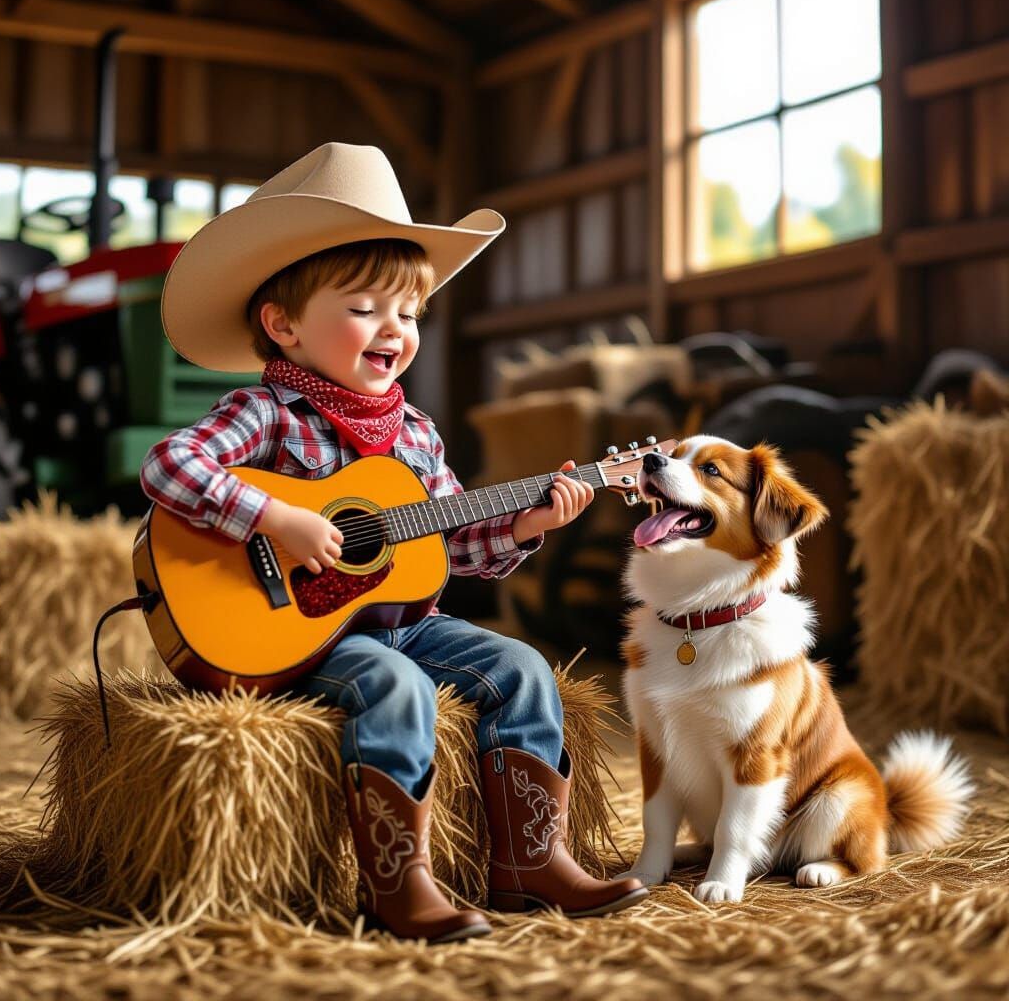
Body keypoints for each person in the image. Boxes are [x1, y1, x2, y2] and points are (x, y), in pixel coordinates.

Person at [140, 143, 647, 944]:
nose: (394, 329)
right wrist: (277, 519)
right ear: (284, 326)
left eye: (407, 313)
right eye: (365, 309)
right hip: (304, 635)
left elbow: (443, 545)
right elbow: (170, 465)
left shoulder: (416, 434)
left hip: (405, 619)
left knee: (518, 668)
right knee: (394, 686)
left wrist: (525, 524)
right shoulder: (268, 412)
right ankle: (399, 883)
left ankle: (530, 860)